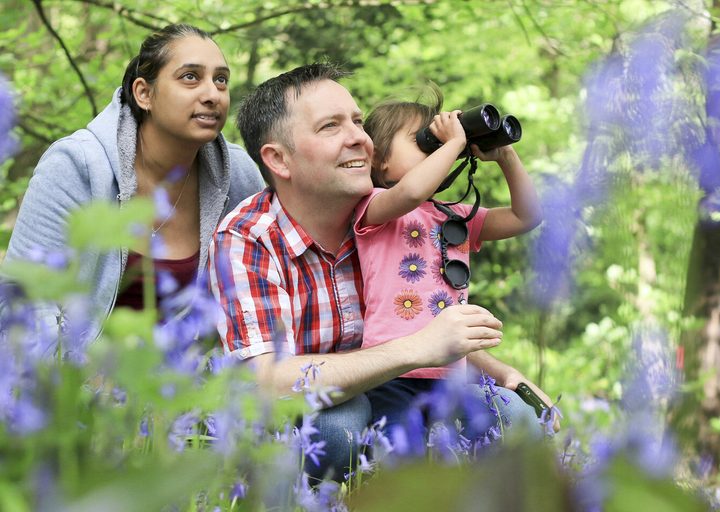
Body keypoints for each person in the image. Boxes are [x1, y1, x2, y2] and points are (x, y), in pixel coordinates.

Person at [209, 63, 551, 482]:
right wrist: (415, 349)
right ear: (279, 159)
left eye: (358, 122)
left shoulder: (422, 220)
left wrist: (501, 373)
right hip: (337, 403)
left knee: (513, 416)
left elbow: (428, 324)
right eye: (331, 126)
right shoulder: (251, 238)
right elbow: (265, 381)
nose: (359, 137)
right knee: (339, 429)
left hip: (430, 381)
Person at [2, 23, 264, 341]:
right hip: (76, 366)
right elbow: (22, 295)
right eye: (190, 77)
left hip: (192, 371)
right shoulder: (76, 166)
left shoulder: (238, 175)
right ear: (144, 93)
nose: (212, 95)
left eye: (220, 80)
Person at [357, 86, 550, 439]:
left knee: (460, 451)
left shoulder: (455, 216)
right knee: (400, 451)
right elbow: (411, 192)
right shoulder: (374, 206)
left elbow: (527, 216)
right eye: (423, 140)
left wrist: (504, 154)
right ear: (379, 157)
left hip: (451, 375)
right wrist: (453, 142)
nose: (437, 146)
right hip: (390, 372)